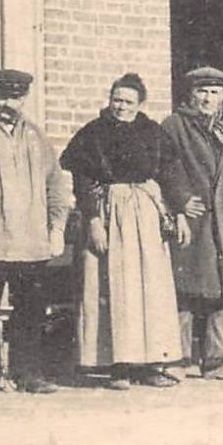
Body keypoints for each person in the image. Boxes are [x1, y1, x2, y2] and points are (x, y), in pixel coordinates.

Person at [62, 73, 186, 389]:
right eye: (116, 100)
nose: (121, 107)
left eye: (128, 102)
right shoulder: (93, 134)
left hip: (145, 217)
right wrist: (93, 221)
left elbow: (170, 176)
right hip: (109, 213)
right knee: (114, 288)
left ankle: (151, 364)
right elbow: (82, 183)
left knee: (149, 289)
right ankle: (117, 365)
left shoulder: (153, 133)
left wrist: (180, 213)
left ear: (140, 104)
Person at [0, 69, 72, 395]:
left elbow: (56, 186)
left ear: (25, 98)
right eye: (4, 95)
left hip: (30, 240)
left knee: (30, 309)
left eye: (16, 97)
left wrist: (56, 228)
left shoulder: (37, 136)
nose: (9, 103)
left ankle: (28, 372)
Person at [160, 65, 223, 380]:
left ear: (222, 96)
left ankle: (217, 359)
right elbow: (165, 166)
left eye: (214, 92)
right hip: (194, 220)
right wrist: (179, 199)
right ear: (191, 94)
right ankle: (181, 358)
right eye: (202, 91)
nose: (207, 98)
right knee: (186, 289)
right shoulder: (174, 126)